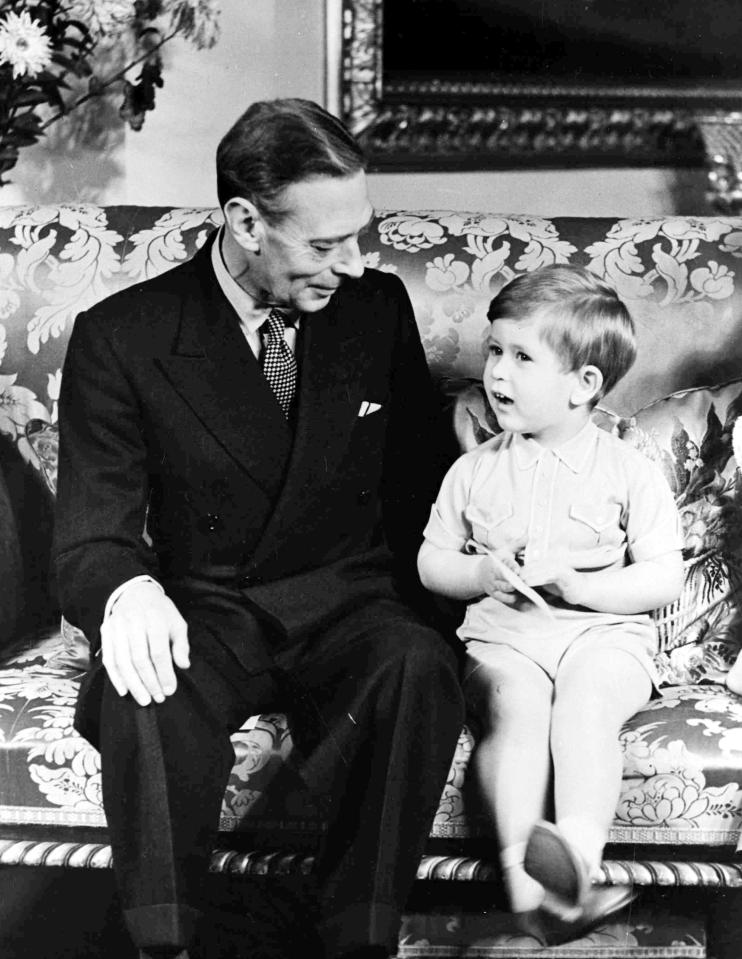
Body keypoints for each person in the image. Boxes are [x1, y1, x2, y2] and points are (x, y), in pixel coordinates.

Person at [53, 98, 465, 959]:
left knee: (417, 663)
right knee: (142, 686)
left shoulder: (376, 308)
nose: (353, 265)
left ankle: (356, 939)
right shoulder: (122, 338)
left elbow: (422, 486)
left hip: (350, 600)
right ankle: (168, 946)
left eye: (360, 234)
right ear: (243, 221)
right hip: (211, 607)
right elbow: (92, 533)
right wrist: (127, 589)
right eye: (324, 245)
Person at [417, 264, 684, 945]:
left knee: (589, 700)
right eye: (494, 350)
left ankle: (577, 863)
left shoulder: (629, 469)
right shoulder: (473, 468)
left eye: (522, 357)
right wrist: (481, 571)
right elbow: (431, 561)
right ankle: (523, 880)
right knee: (515, 710)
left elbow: (662, 576)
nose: (497, 373)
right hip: (506, 638)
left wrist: (585, 587)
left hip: (604, 636)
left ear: (584, 385)